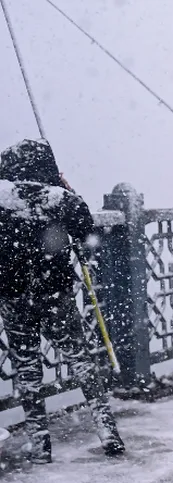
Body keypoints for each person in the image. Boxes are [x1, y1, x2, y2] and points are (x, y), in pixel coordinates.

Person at [0, 139, 125, 462]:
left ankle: (40, 446)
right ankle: (107, 432)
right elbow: (86, 231)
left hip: (14, 297)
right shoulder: (58, 198)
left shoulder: (2, 197)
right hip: (55, 294)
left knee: (27, 371)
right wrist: (67, 189)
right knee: (81, 361)